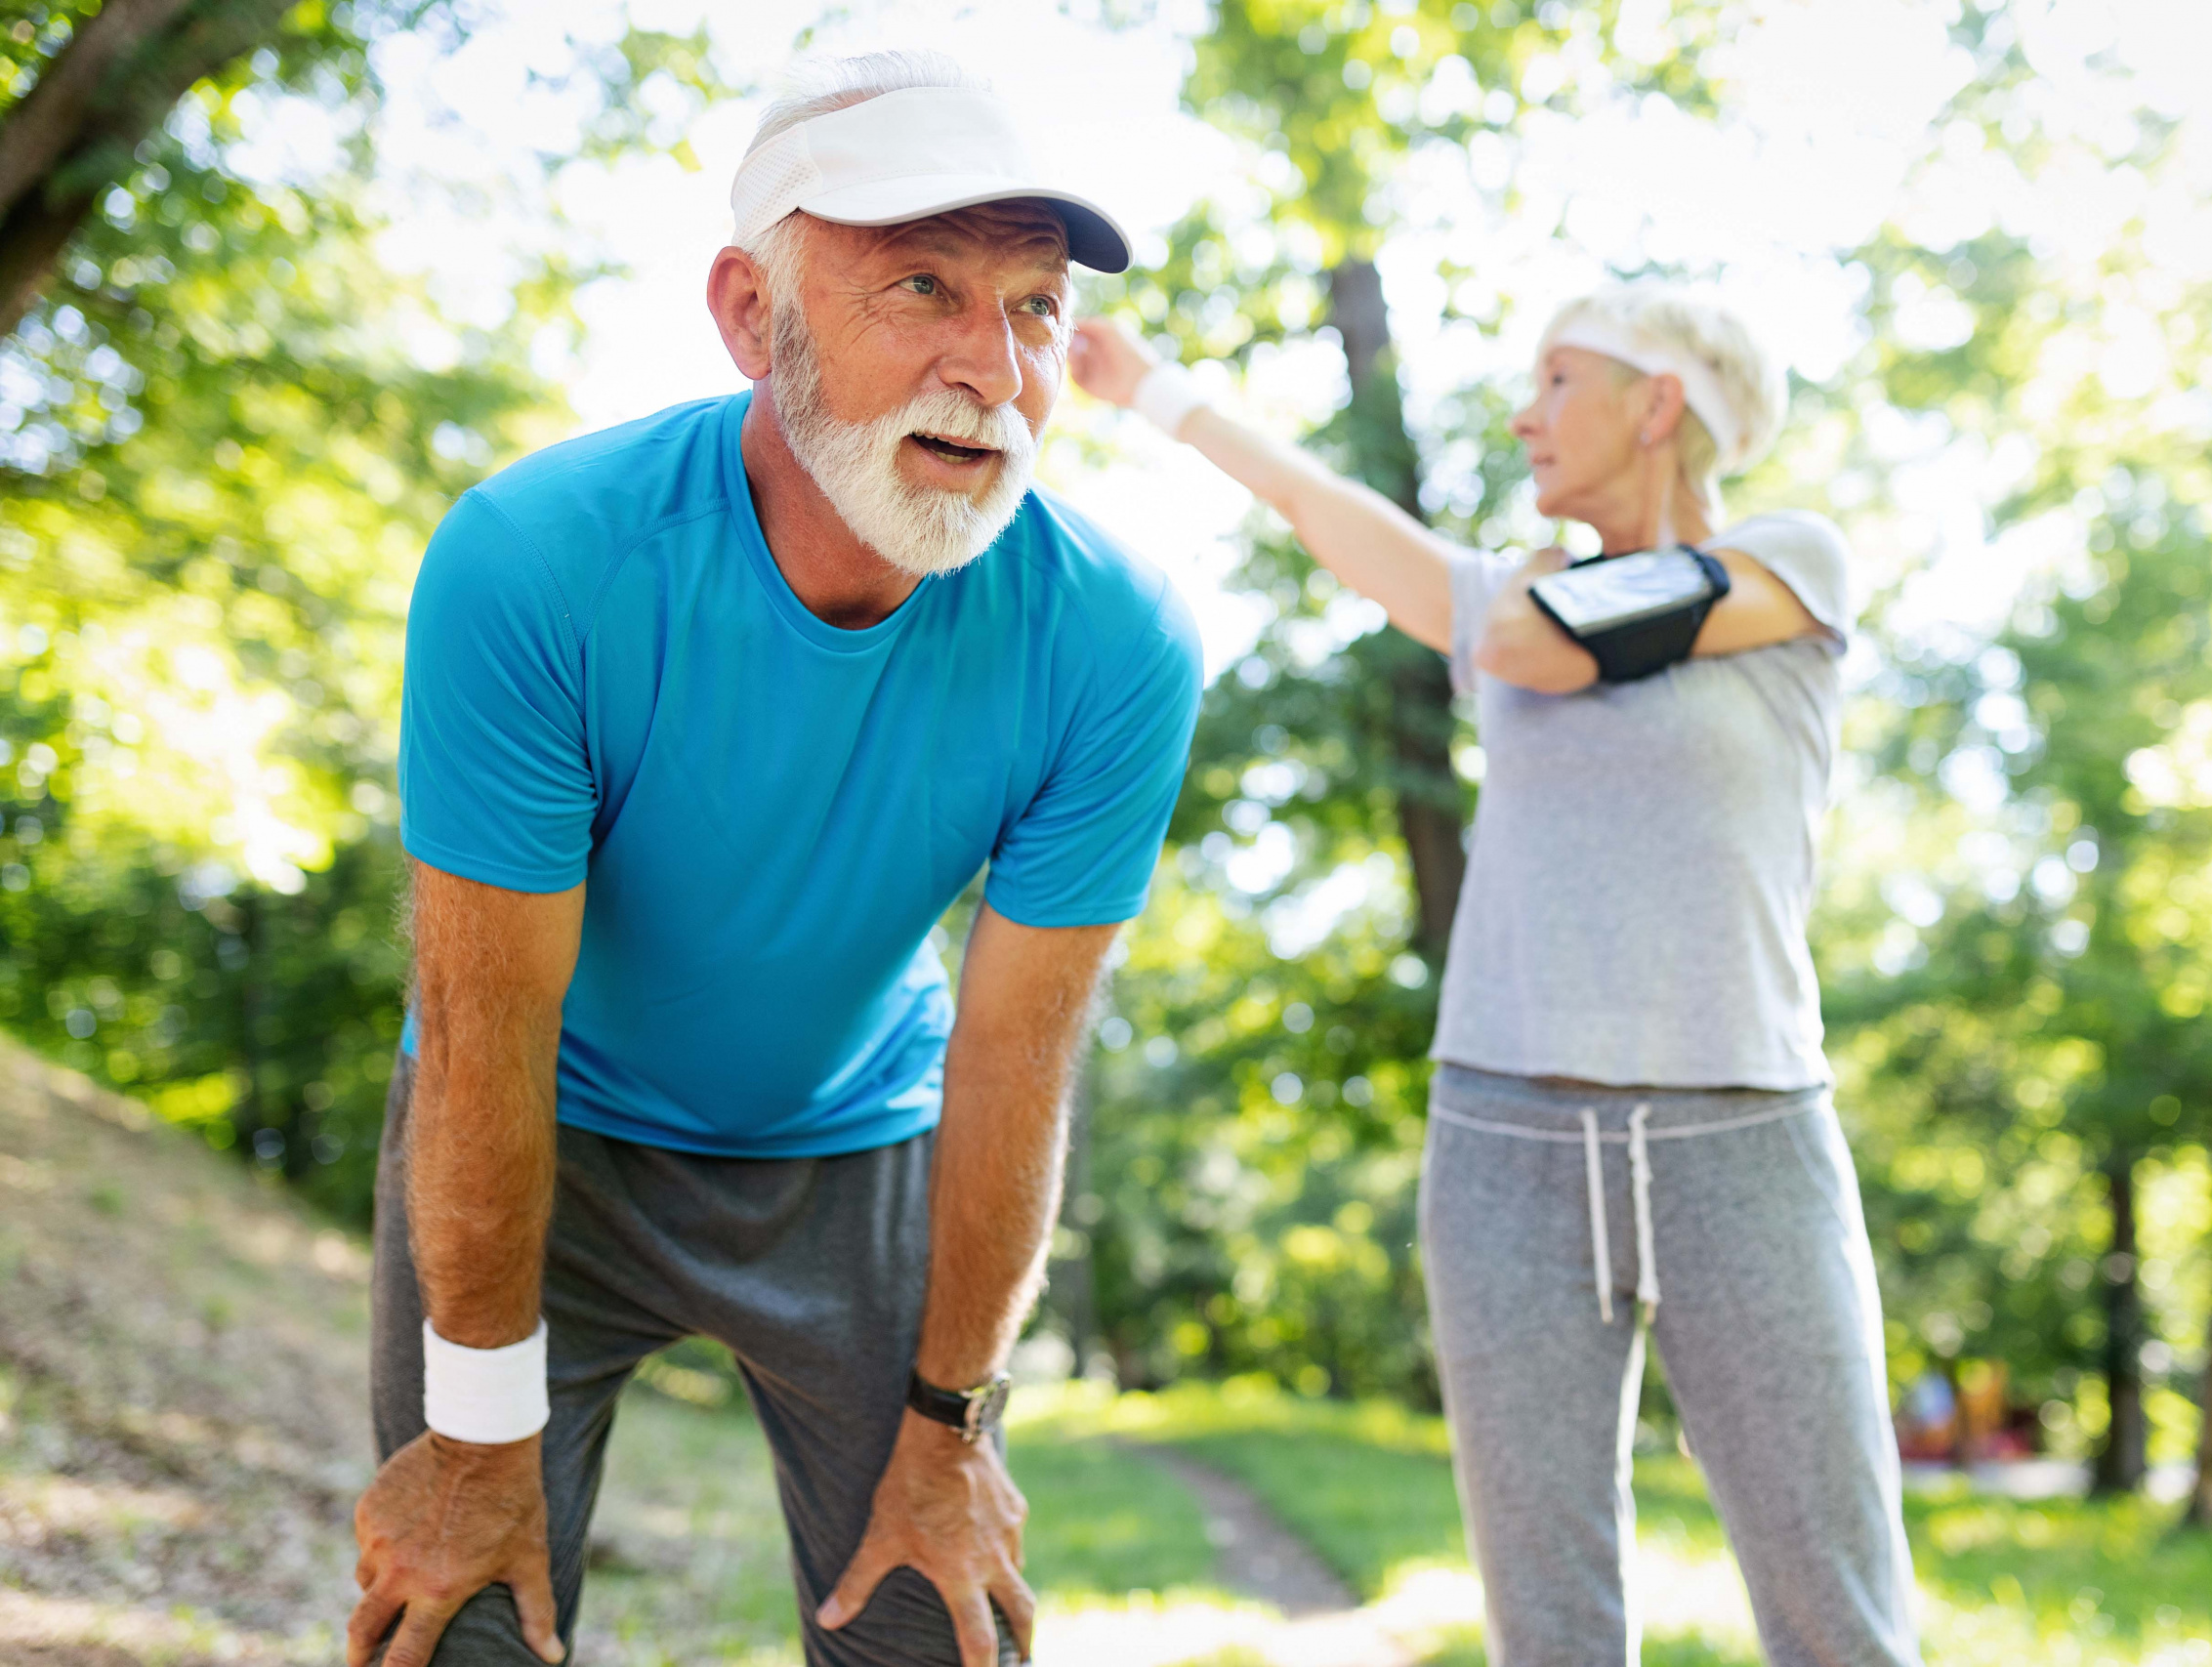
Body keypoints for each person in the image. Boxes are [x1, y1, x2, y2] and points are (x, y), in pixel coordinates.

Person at [350, 51, 1200, 1667]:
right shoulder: (538, 564)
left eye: (1032, 307)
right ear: (754, 316)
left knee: (937, 1632)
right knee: (455, 1626)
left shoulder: (1115, 637)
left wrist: (953, 1429)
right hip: (543, 1137)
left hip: (860, 1152)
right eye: (923, 289)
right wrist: (474, 1442)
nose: (994, 367)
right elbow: (478, 1039)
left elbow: (1020, 1056)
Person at [1071, 286, 1922, 1666]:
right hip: (1503, 1143)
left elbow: (1536, 643)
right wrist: (1152, 388)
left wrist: (1499, 598)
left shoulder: (1792, 566)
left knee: (1840, 1615)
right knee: (1551, 1628)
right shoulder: (1507, 592)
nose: (1524, 414)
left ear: (1660, 404)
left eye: (1560, 381)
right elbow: (1328, 515)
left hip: (1744, 1135)